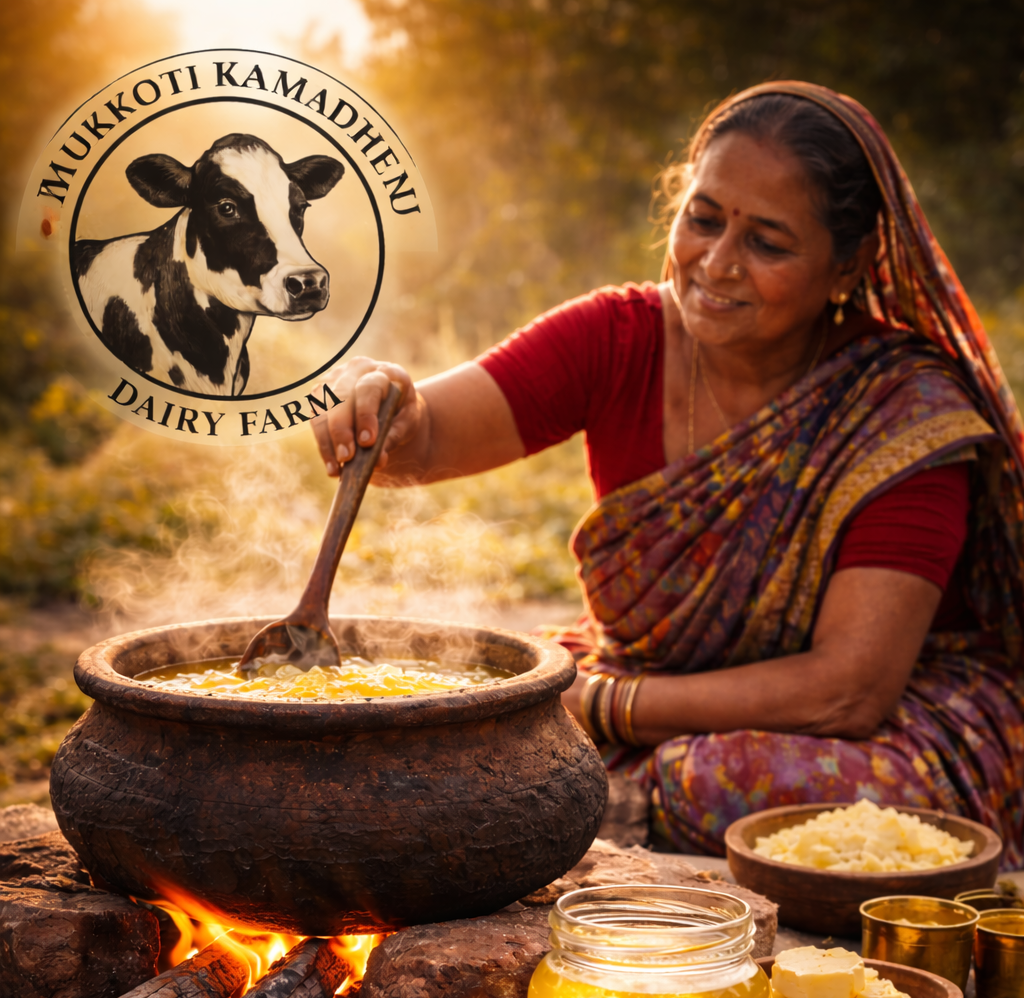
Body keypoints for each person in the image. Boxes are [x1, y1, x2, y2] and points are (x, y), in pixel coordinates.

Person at [312, 81, 1024, 867]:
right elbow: (427, 438)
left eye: (769, 244)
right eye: (704, 219)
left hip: (885, 718)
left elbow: (848, 690)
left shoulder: (902, 408)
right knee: (460, 721)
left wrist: (604, 707)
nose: (716, 264)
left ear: (848, 264)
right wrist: (384, 405)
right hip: (656, 686)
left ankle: (600, 803)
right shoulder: (618, 337)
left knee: (714, 779)